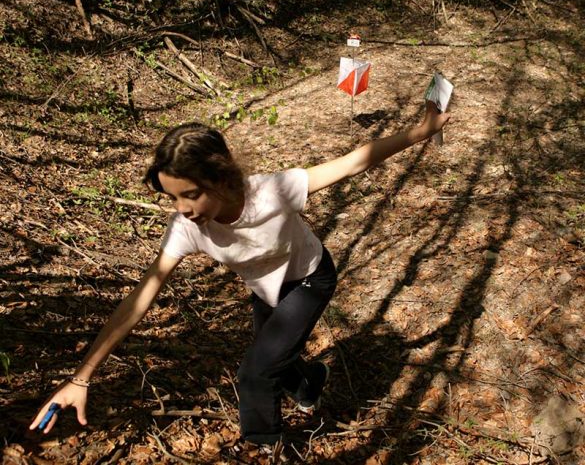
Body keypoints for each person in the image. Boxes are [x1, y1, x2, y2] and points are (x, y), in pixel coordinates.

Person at [30, 100, 450, 445]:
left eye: (191, 195)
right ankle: (312, 380)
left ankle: (265, 449)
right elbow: (140, 299)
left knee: (255, 373)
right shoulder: (186, 228)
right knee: (278, 362)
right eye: (173, 197)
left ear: (221, 176)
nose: (182, 209)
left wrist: (421, 130)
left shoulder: (273, 192)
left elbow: (353, 162)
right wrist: (81, 377)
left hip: (309, 278)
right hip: (266, 290)